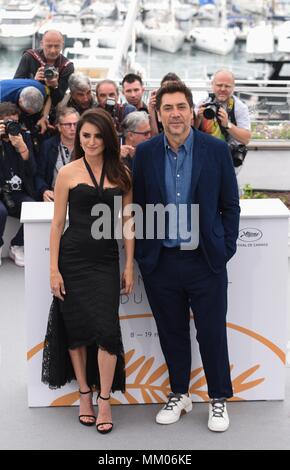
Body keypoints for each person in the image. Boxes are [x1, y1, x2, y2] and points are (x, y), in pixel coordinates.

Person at [133, 81, 240, 432]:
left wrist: (225, 249)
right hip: (162, 261)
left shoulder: (215, 150)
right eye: (168, 108)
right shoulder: (146, 153)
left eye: (181, 107)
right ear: (159, 114)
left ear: (191, 110)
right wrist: (146, 256)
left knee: (211, 332)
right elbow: (139, 206)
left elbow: (229, 206)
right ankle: (179, 393)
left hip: (205, 259)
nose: (175, 114)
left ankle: (218, 398)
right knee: (171, 332)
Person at [41, 108, 134, 434]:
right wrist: (53, 270)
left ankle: (105, 399)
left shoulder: (121, 173)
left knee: (107, 331)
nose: (92, 141)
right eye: (86, 135)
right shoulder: (67, 172)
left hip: (106, 261)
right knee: (77, 328)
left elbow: (128, 225)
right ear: (78, 137)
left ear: (108, 137)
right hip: (73, 258)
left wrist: (129, 267)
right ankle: (84, 394)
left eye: (97, 135)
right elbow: (56, 224)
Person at [0, 102, 36, 267]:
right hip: (1, 192)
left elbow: (32, 171)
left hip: (18, 191)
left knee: (33, 207)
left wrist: (23, 149)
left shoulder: (23, 137)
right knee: (0, 212)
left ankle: (17, 245)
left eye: (14, 122)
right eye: (7, 123)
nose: (11, 126)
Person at [195, 69, 251, 174]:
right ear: (212, 85)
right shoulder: (203, 103)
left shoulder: (239, 107)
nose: (222, 89)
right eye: (219, 85)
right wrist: (198, 118)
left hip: (228, 158)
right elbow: (191, 131)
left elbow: (246, 139)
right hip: (206, 157)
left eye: (227, 86)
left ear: (233, 87)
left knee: (227, 188)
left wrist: (227, 124)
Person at [14, 30, 74, 108]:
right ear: (42, 44)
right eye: (49, 46)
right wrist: (34, 82)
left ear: (62, 45)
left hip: (51, 109)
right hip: (26, 106)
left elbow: (58, 100)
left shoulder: (66, 66)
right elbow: (15, 86)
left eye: (57, 46)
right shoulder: (29, 57)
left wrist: (55, 86)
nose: (53, 50)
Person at [35, 107, 80, 201]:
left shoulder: (87, 146)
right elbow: (38, 175)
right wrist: (44, 190)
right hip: (55, 195)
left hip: (80, 196)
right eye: (68, 125)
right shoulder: (47, 146)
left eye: (76, 124)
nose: (73, 128)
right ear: (59, 127)